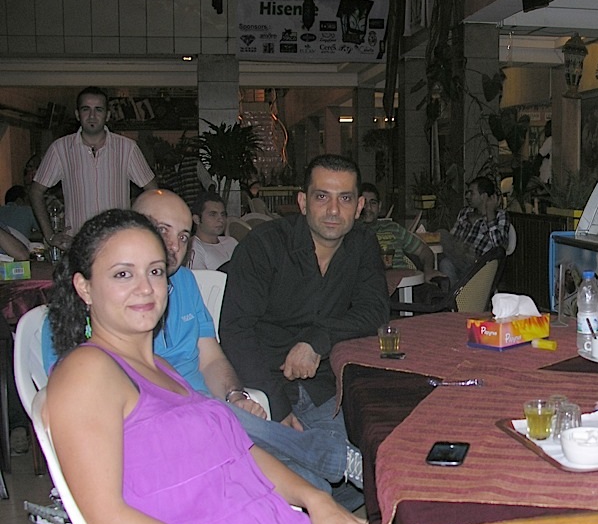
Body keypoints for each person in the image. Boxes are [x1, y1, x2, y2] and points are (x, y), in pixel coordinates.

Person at [43, 209, 528, 524]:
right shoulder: (87, 372)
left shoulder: (157, 368)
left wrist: (316, 500)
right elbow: (105, 523)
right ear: (84, 287)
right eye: (123, 274)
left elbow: (241, 452)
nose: (145, 288)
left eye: (155, 271)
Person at [41, 189, 360, 502]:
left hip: (209, 416)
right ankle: (333, 458)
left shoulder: (182, 284)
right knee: (220, 419)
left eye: (183, 236)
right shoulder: (87, 334)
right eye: (161, 229)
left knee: (315, 486)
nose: (172, 245)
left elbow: (210, 359)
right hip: (163, 436)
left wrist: (235, 395)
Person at [220, 155, 389, 481]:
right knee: (328, 478)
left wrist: (317, 341)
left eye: (345, 199)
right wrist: (277, 407)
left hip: (322, 388)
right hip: (262, 384)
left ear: (359, 206)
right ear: (302, 202)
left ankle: (308, 464)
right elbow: (235, 329)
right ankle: (323, 461)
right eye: (322, 196)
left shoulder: (362, 243)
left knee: (333, 482)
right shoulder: (265, 246)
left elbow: (374, 310)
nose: (333, 210)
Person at [29, 86, 157, 248]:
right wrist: (50, 236)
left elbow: (154, 191)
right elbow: (35, 191)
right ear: (78, 114)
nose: (92, 116)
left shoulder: (127, 148)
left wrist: (138, 228)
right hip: (77, 245)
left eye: (98, 109)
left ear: (107, 115)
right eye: (86, 109)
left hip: (118, 244)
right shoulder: (60, 149)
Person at [437, 176, 509, 285]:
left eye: (471, 193)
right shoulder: (465, 212)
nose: (467, 196)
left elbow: (499, 248)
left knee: (442, 234)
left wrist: (490, 214)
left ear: (483, 196)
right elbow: (453, 239)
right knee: (445, 263)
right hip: (460, 260)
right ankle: (452, 296)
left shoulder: (500, 216)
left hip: (480, 264)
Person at [359, 182, 434, 271]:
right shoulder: (352, 233)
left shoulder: (393, 228)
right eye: (364, 203)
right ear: (357, 206)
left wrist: (429, 271)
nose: (368, 208)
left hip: (405, 277)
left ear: (379, 206)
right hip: (374, 278)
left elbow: (424, 251)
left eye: (373, 203)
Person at [188, 192, 238, 270]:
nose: (221, 219)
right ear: (197, 219)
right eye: (213, 215)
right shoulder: (193, 248)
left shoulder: (231, 242)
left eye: (223, 214)